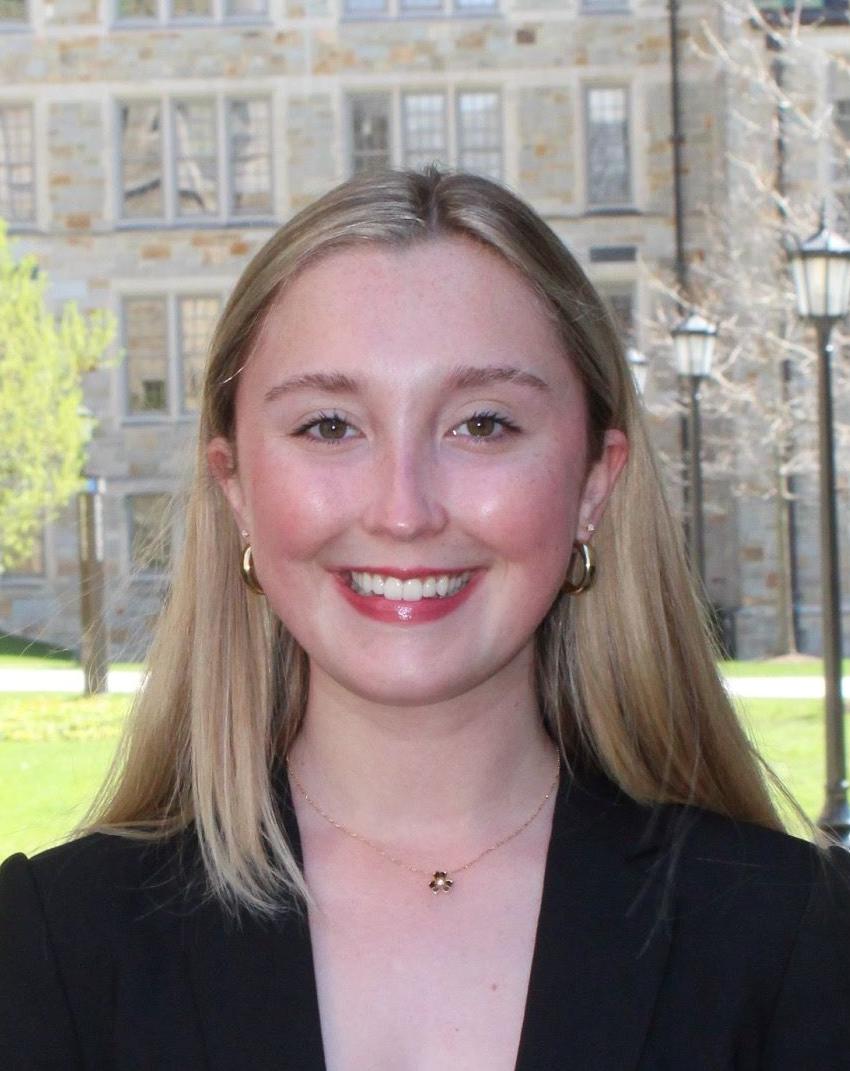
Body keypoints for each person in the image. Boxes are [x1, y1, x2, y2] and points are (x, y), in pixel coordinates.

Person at [1, 168, 849, 1071]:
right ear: (236, 486)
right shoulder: (49, 951)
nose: (404, 511)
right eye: (330, 425)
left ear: (594, 483)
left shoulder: (796, 940)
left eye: (482, 424)